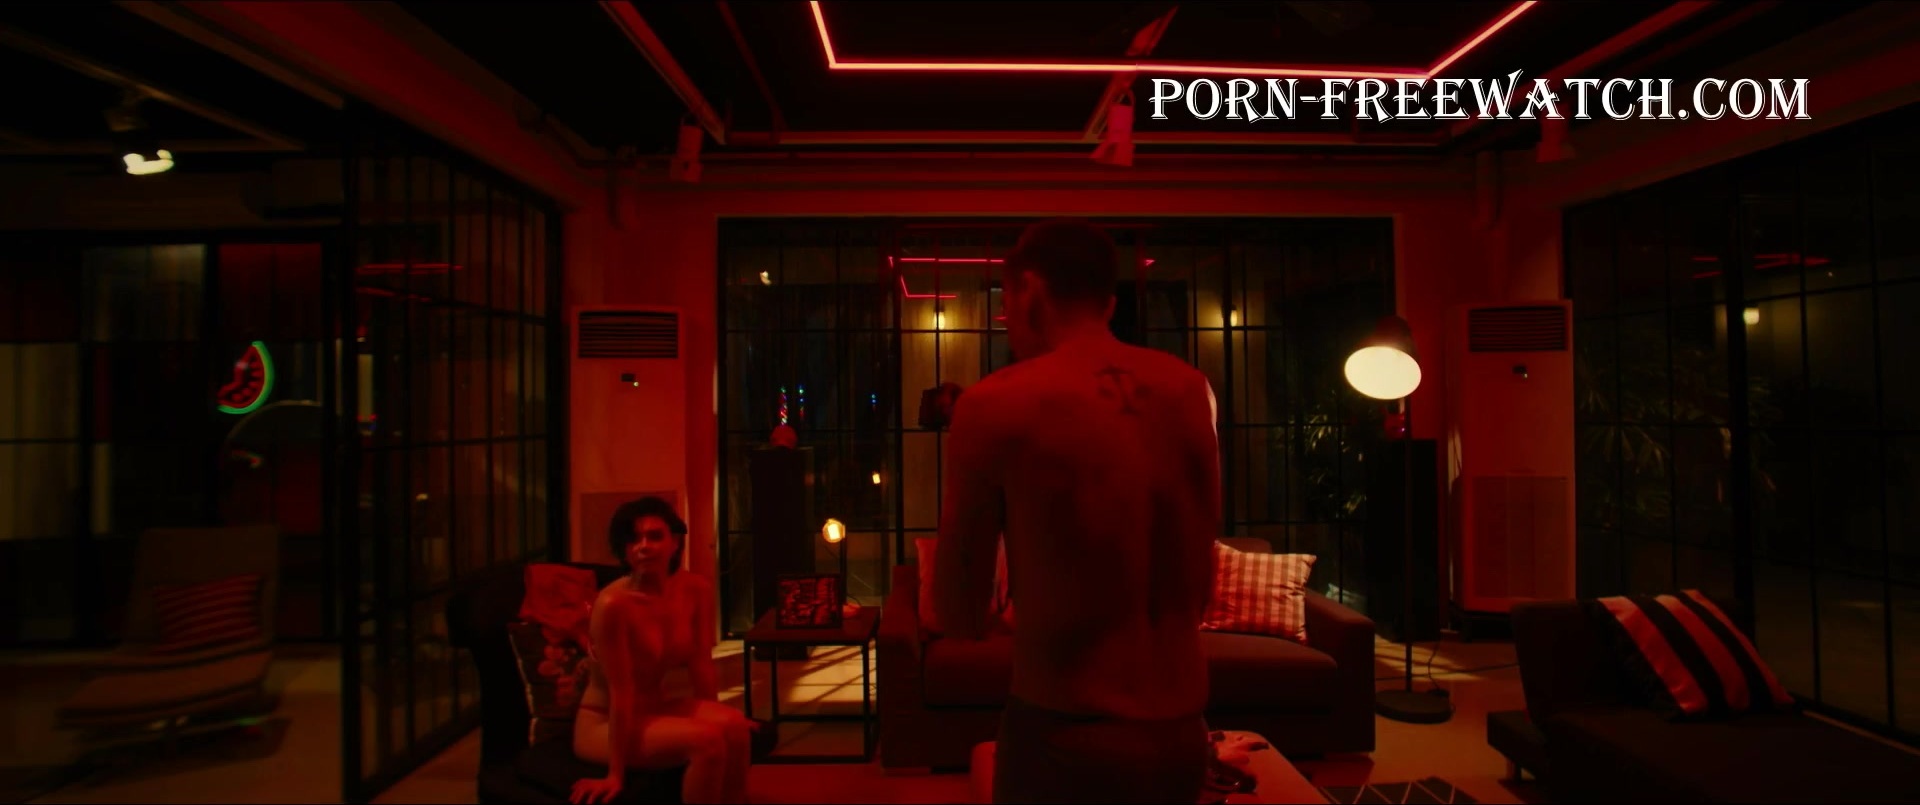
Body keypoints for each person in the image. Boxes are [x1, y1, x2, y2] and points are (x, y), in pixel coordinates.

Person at [933, 219, 1223, 804]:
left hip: (1065, 729)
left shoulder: (994, 403)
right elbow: (1201, 582)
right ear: (1108, 301)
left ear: (1030, 290)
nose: (1007, 319)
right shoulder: (1190, 390)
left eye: (1006, 301)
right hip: (1183, 729)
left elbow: (958, 611)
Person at [571, 497, 755, 805]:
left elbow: (701, 664)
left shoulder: (695, 590)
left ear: (674, 542)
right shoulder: (613, 604)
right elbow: (621, 691)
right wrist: (615, 774)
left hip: (656, 707)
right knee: (706, 741)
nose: (643, 546)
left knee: (735, 725)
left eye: (655, 536)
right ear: (624, 550)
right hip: (604, 722)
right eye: (633, 539)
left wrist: (717, 716)